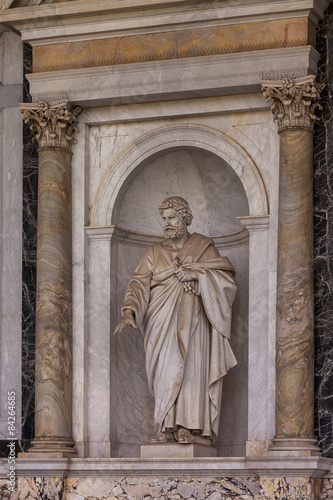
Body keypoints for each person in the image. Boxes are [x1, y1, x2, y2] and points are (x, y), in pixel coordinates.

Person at [114, 196, 237, 445]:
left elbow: (226, 283)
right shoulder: (153, 252)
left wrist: (197, 276)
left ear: (185, 218)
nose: (167, 223)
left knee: (191, 371)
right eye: (164, 218)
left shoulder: (203, 248)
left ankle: (188, 426)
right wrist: (130, 310)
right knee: (166, 373)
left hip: (195, 322)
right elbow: (139, 284)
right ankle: (165, 425)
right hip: (160, 323)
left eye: (172, 217)